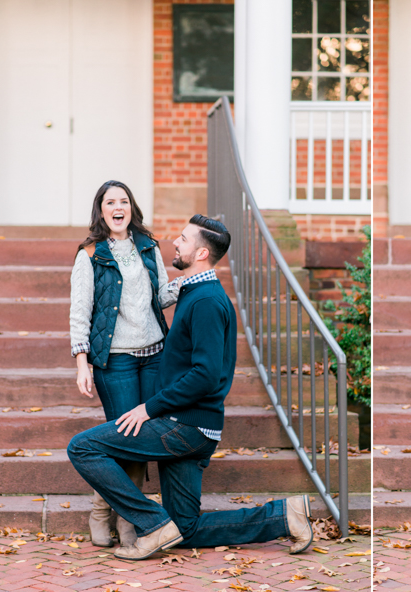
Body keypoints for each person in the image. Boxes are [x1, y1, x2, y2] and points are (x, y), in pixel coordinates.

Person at [68, 215, 313, 560]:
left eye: (183, 239)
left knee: (82, 447)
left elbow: (206, 375)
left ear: (200, 253)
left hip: (185, 426)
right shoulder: (195, 292)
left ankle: (151, 524)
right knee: (185, 530)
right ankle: (283, 516)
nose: (175, 243)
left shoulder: (207, 302)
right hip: (191, 425)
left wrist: (148, 408)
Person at [70, 180, 179, 547]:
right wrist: (82, 362)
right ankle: (110, 514)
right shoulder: (90, 254)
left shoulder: (148, 246)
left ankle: (122, 517)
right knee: (123, 437)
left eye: (124, 201)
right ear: (100, 211)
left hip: (154, 356)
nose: (118, 207)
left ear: (131, 207)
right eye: (109, 202)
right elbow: (80, 312)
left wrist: (188, 283)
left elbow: (162, 296)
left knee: (142, 437)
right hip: (114, 361)